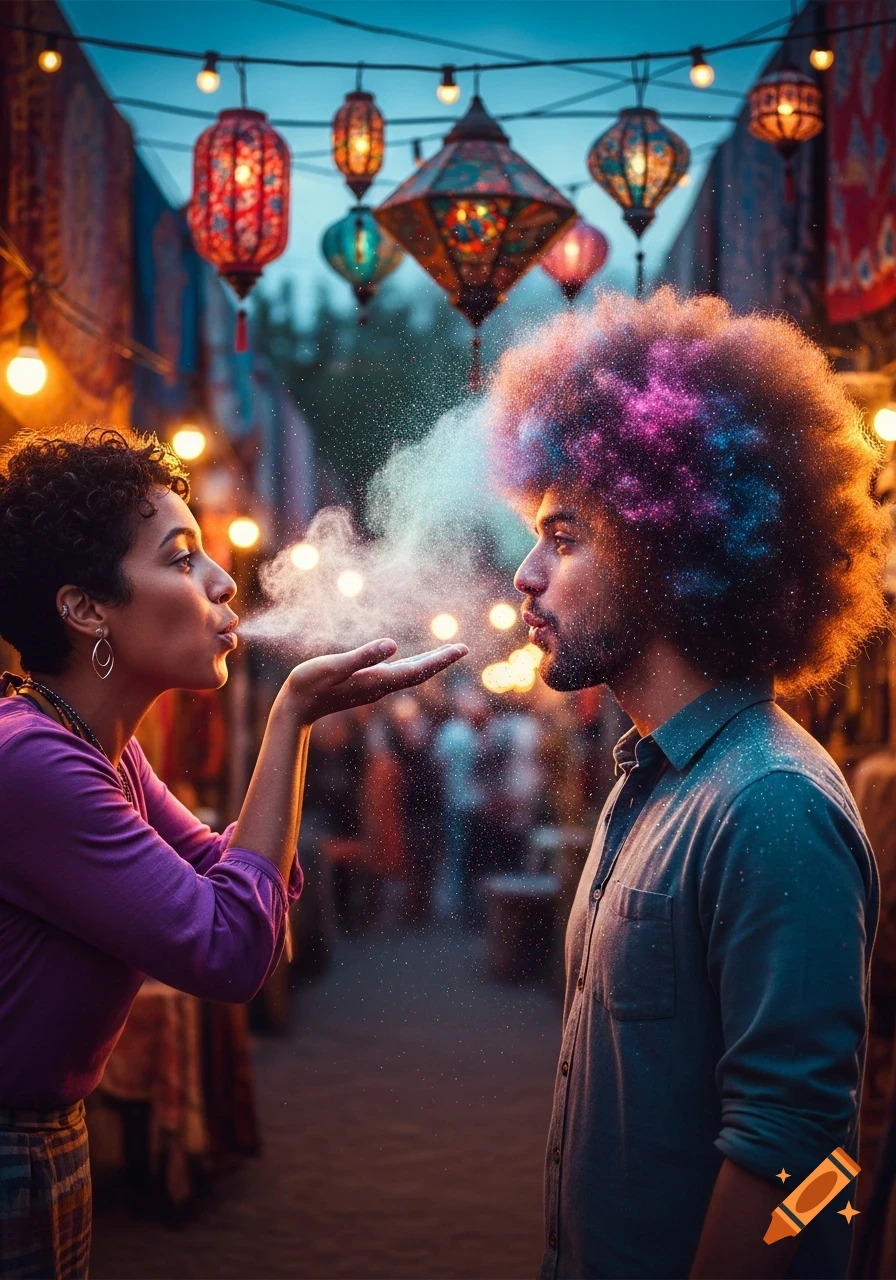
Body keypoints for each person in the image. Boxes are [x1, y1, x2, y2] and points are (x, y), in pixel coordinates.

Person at [487, 290, 890, 1280]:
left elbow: (807, 1154)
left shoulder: (772, 804)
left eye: (565, 535)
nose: (526, 576)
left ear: (669, 542)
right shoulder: (649, 780)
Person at [0, 425, 466, 1280]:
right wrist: (288, 717)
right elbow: (227, 947)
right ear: (84, 607)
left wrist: (293, 720)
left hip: (42, 1144)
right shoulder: (30, 762)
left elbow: (238, 879)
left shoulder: (101, 749)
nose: (222, 583)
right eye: (181, 559)